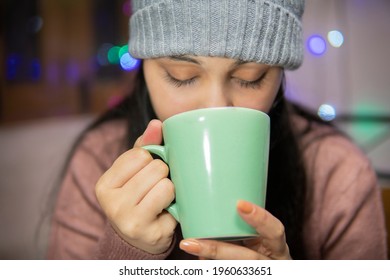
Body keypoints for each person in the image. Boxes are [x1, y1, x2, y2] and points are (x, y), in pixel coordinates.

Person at [47, 0, 387, 260]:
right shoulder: (98, 161)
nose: (214, 106)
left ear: (280, 75)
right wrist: (128, 253)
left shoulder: (338, 172)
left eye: (250, 77)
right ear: (145, 67)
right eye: (181, 75)